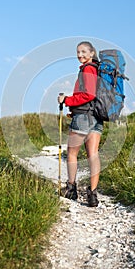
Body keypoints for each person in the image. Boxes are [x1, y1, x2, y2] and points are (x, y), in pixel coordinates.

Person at [57, 41, 103, 207]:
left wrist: (67, 100)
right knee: (93, 154)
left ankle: (71, 189)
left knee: (72, 153)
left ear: (92, 53)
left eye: (84, 52)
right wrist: (74, 109)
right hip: (96, 117)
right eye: (78, 52)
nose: (80, 55)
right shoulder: (97, 70)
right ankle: (92, 194)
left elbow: (88, 94)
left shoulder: (88, 69)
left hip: (84, 118)